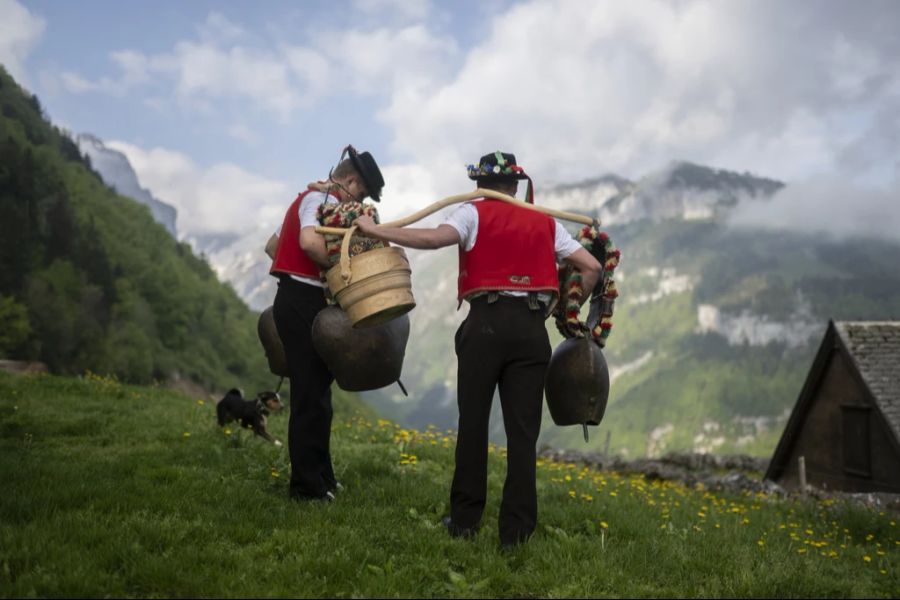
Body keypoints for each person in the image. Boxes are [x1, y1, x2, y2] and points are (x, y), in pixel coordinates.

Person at [355, 151, 601, 546]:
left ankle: (465, 521)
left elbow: (435, 239)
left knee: (473, 426)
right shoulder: (546, 222)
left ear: (482, 185)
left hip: (485, 325)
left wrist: (378, 231)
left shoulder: (472, 213)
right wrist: (561, 306)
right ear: (515, 185)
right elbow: (591, 267)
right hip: (530, 329)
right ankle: (517, 534)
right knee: (523, 435)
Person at [265, 145, 385, 502]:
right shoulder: (318, 200)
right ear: (350, 181)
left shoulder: (306, 199)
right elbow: (307, 241)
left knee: (318, 394)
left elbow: (273, 246)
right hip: (301, 301)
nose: (358, 200)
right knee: (309, 398)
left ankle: (322, 476)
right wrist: (340, 271)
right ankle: (306, 488)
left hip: (299, 299)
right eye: (360, 193)